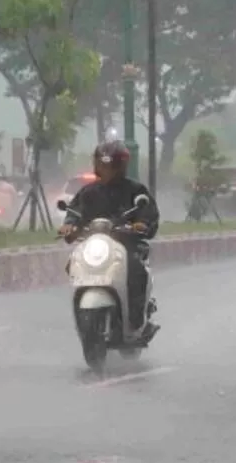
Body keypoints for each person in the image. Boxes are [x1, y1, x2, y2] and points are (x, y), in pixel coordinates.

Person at [58, 140, 161, 339]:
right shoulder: (88, 192)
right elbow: (75, 212)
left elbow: (148, 215)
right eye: (103, 165)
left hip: (127, 244)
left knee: (135, 270)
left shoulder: (136, 190)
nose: (106, 170)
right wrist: (69, 225)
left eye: (111, 165)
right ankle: (82, 312)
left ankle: (138, 320)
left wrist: (141, 225)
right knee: (73, 263)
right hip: (95, 245)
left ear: (121, 166)